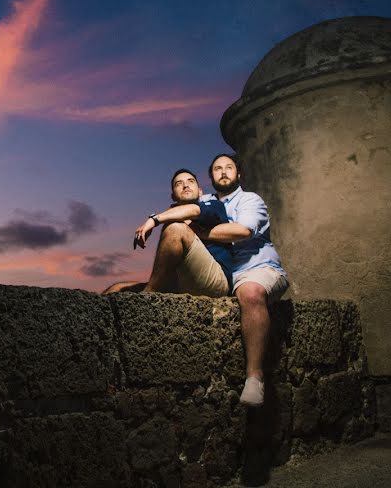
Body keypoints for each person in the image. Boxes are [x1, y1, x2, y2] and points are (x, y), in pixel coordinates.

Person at [198, 153, 289, 406]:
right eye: (217, 168)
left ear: (238, 174)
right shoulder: (205, 201)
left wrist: (201, 232)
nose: (224, 171)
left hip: (257, 267)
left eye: (229, 167)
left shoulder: (250, 199)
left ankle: (254, 378)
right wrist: (155, 219)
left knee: (250, 293)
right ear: (211, 176)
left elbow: (243, 231)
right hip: (224, 272)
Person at [102, 168, 232, 297]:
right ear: (173, 196)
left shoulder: (214, 205)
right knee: (116, 288)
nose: (185, 185)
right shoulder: (171, 216)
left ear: (200, 192)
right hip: (180, 283)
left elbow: (194, 210)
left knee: (176, 228)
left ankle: (149, 296)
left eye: (191, 181)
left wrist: (153, 220)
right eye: (178, 183)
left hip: (216, 283)